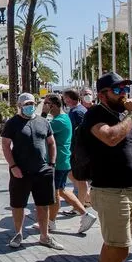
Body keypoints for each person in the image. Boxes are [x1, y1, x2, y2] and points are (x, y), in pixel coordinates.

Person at [83, 72, 132, 262]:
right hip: (111, 191)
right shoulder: (95, 114)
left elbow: (130, 149)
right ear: (102, 95)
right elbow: (110, 138)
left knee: (115, 247)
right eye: (118, 90)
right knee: (119, 249)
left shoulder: (123, 116)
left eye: (125, 89)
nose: (124, 94)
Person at [1, 93, 63, 250]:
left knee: (43, 205)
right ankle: (18, 233)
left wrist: (52, 164)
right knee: (18, 204)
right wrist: (13, 166)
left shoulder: (43, 122)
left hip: (43, 170)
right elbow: (5, 145)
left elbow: (51, 143)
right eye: (26, 104)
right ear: (20, 106)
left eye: (32, 103)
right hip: (20, 172)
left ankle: (45, 236)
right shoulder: (12, 123)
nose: (30, 106)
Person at [41, 94, 97, 234]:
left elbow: (39, 130)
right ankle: (85, 215)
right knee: (61, 191)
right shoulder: (63, 118)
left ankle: (52, 223)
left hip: (58, 162)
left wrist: (43, 113)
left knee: (55, 194)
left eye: (46, 103)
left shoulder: (59, 121)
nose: (44, 106)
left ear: (52, 105)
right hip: (62, 161)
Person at [63, 88, 90, 206]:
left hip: (78, 149)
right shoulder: (77, 110)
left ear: (69, 98)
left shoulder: (77, 112)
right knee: (73, 174)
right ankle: (85, 197)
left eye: (65, 98)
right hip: (76, 148)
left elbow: (82, 131)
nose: (64, 100)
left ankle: (82, 201)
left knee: (78, 177)